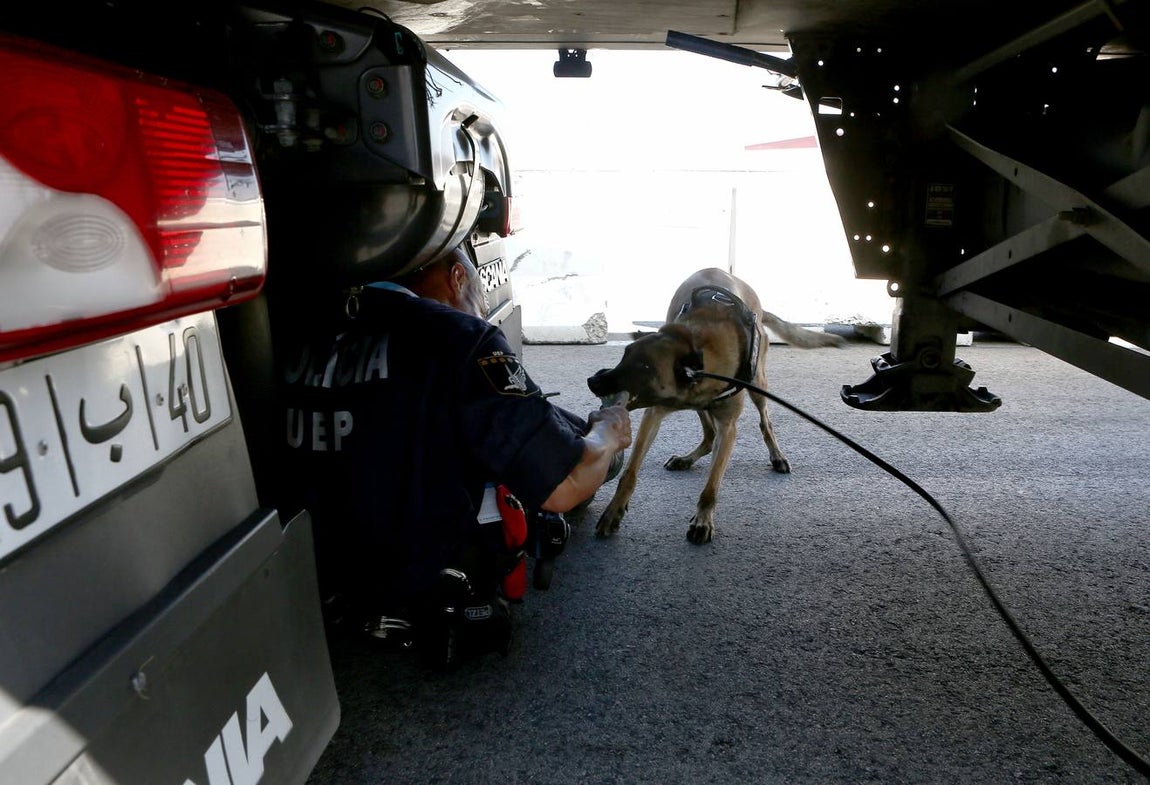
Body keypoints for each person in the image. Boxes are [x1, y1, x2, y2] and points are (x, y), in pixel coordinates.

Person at [276, 245, 631, 664]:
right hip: (415, 579)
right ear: (458, 277)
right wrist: (609, 431)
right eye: (481, 300)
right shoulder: (459, 337)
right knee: (587, 461)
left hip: (308, 573)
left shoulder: (295, 326)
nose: (481, 312)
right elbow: (565, 485)